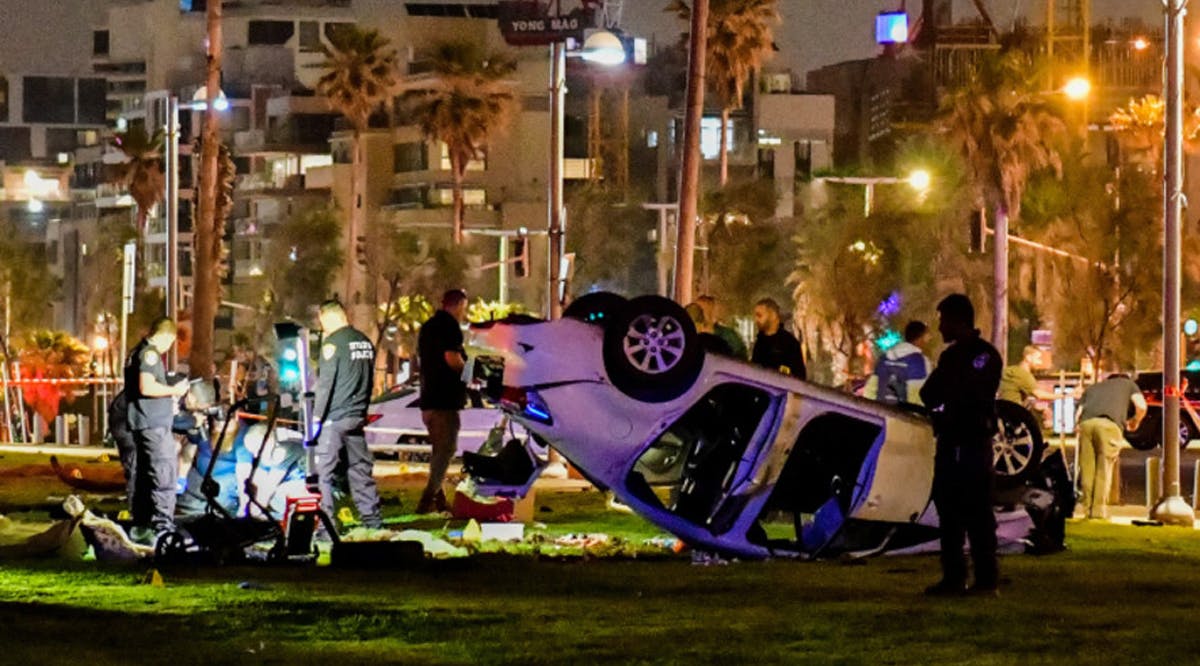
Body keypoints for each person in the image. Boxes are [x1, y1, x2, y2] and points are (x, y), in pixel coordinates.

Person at [918, 294, 1003, 597]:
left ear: (958, 320)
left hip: (972, 444)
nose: (939, 327)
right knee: (949, 513)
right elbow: (930, 394)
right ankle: (953, 577)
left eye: (943, 320)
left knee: (978, 513)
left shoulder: (984, 355)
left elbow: (970, 392)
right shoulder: (951, 357)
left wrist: (952, 394)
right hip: (950, 441)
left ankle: (986, 579)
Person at [312, 299, 383, 531]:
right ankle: (372, 521)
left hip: (334, 417)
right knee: (360, 469)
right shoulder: (364, 342)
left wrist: (316, 418)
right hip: (356, 417)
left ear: (329, 317)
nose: (322, 327)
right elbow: (369, 380)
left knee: (323, 472)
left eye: (322, 321)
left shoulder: (332, 344)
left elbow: (325, 385)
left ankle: (326, 527)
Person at [124, 317, 190, 544]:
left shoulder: (137, 351)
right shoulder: (150, 354)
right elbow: (147, 386)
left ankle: (142, 525)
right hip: (153, 424)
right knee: (164, 473)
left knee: (144, 476)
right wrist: (174, 390)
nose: (169, 348)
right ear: (166, 336)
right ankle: (164, 527)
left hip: (142, 423)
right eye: (170, 342)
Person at [417, 289, 470, 514]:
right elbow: (452, 358)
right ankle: (428, 499)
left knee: (439, 450)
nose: (463, 313)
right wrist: (470, 373)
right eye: (464, 308)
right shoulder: (450, 327)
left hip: (428, 398)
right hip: (444, 400)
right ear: (458, 305)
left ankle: (439, 501)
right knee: (447, 449)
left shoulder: (428, 327)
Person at [1076, 371, 1147, 519]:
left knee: (1087, 469)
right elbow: (1141, 406)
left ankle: (1087, 510)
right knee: (1104, 469)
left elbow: (1078, 413)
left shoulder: (1093, 388)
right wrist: (1135, 421)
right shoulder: (1129, 385)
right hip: (1109, 426)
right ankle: (1098, 513)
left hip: (1086, 425)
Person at [863, 320, 933, 405]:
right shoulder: (921, 362)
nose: (930, 338)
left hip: (878, 411)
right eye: (927, 335)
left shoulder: (886, 356)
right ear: (921, 338)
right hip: (903, 415)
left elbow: (871, 390)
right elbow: (919, 398)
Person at [750, 297, 806, 379]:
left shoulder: (790, 344)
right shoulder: (759, 342)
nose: (756, 320)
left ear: (773, 315)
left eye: (759, 315)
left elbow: (799, 378)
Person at [697, 295, 748, 359]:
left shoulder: (728, 335)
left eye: (701, 310)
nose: (697, 313)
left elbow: (741, 358)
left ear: (711, 311)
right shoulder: (691, 335)